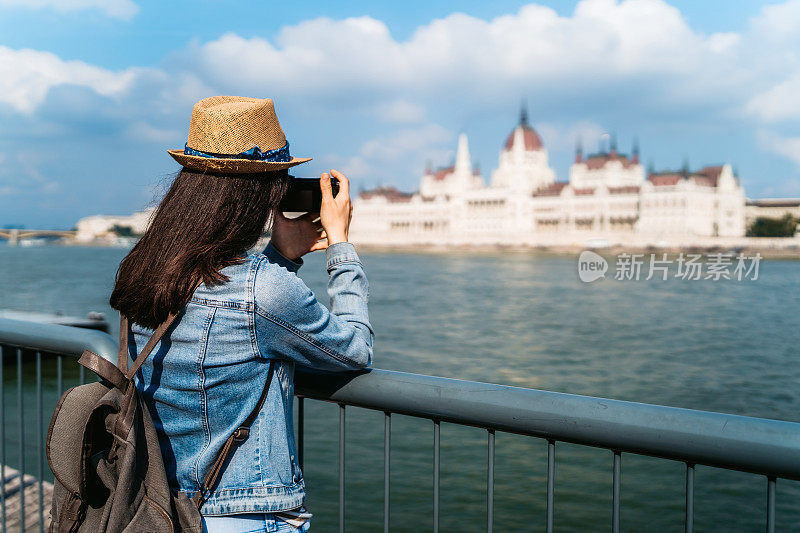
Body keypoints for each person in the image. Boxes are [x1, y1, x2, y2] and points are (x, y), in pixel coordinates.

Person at [109, 95, 373, 532]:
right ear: (266, 193)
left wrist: (280, 256)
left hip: (157, 501)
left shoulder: (145, 269)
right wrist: (342, 249)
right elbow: (355, 350)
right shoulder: (261, 290)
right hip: (241, 514)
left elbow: (239, 317)